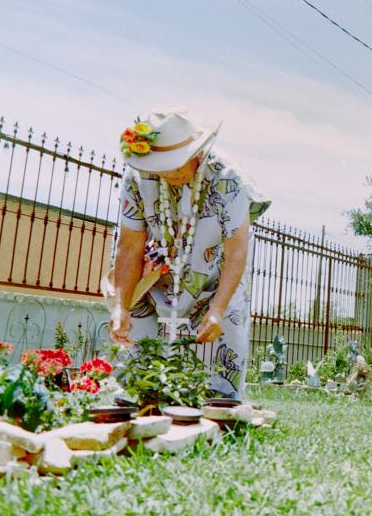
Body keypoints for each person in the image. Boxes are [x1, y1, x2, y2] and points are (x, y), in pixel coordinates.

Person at [107, 107, 270, 398]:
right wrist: (120, 306)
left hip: (216, 271)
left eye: (175, 164)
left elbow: (236, 250)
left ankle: (223, 405)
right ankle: (135, 397)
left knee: (228, 326)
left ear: (198, 153)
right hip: (160, 267)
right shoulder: (136, 176)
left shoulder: (227, 177)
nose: (168, 172)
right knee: (133, 318)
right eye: (161, 165)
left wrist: (218, 309)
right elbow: (129, 244)